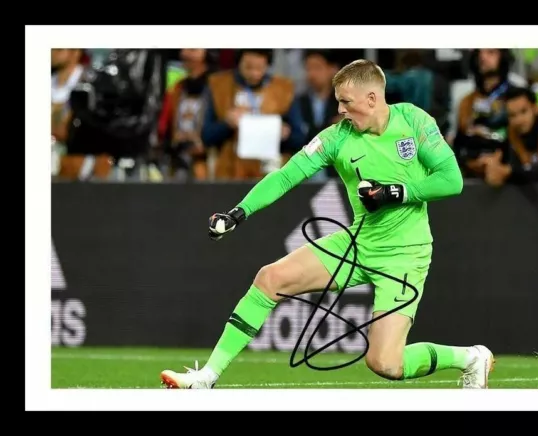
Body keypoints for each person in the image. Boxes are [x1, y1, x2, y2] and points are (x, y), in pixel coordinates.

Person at [160, 59, 495, 389]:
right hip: (357, 244)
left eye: (346, 102)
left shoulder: (414, 120)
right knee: (270, 278)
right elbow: (286, 175)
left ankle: (469, 358)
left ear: (372, 99)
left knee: (386, 364)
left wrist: (395, 192)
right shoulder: (336, 137)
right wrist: (237, 213)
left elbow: (451, 180)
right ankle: (207, 377)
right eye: (338, 102)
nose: (341, 110)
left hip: (405, 258)